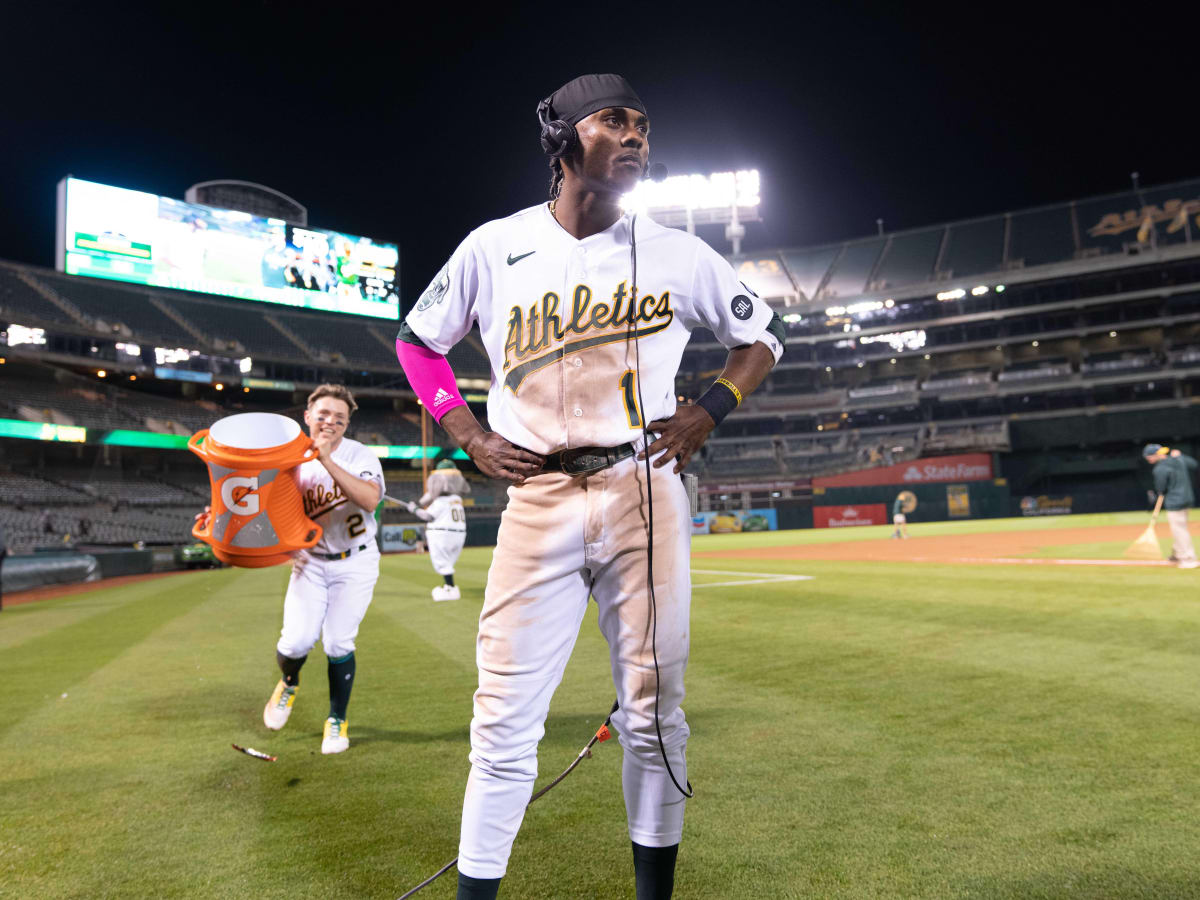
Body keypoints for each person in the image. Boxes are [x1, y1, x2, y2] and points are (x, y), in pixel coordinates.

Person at [395, 73, 784, 900]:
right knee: (501, 722)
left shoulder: (678, 251)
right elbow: (420, 343)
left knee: (652, 713)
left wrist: (711, 409)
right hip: (536, 497)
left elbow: (759, 342)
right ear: (563, 139)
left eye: (644, 124)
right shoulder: (493, 246)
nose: (638, 135)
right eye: (616, 121)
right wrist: (464, 431)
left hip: (641, 489)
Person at [259, 384, 386, 753]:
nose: (331, 421)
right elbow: (272, 512)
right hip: (311, 563)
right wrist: (285, 548)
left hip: (357, 560)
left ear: (347, 425)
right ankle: (288, 682)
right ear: (308, 416)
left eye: (340, 418)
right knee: (296, 641)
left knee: (337, 642)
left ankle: (336, 719)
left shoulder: (359, 454)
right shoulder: (288, 459)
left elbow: (369, 498)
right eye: (324, 414)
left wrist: (327, 460)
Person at [401, 459, 469, 601]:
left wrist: (414, 509)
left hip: (442, 533)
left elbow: (427, 516)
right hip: (459, 534)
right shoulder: (457, 498)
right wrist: (418, 504)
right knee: (448, 562)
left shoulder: (440, 502)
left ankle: (451, 589)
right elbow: (429, 498)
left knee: (442, 563)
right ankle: (449, 587)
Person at [1143, 443, 1198, 569]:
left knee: (1179, 530)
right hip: (1187, 499)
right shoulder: (1178, 460)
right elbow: (1194, 464)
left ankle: (1188, 559)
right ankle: (1177, 555)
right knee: (1179, 528)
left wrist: (1161, 491)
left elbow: (1161, 488)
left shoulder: (1160, 468)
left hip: (1175, 502)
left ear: (1154, 456)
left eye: (1149, 457)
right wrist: (1181, 456)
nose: (1148, 459)